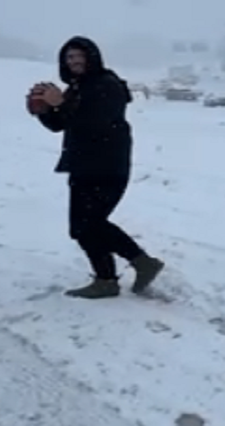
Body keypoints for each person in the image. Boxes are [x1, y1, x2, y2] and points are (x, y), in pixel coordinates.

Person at [29, 36, 165, 298]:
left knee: (89, 224)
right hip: (83, 164)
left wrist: (60, 103)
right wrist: (44, 110)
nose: (75, 61)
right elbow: (61, 124)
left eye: (80, 56)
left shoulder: (106, 84)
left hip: (107, 166)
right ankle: (107, 280)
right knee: (83, 227)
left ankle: (142, 263)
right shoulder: (77, 88)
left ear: (92, 58)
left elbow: (96, 122)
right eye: (69, 57)